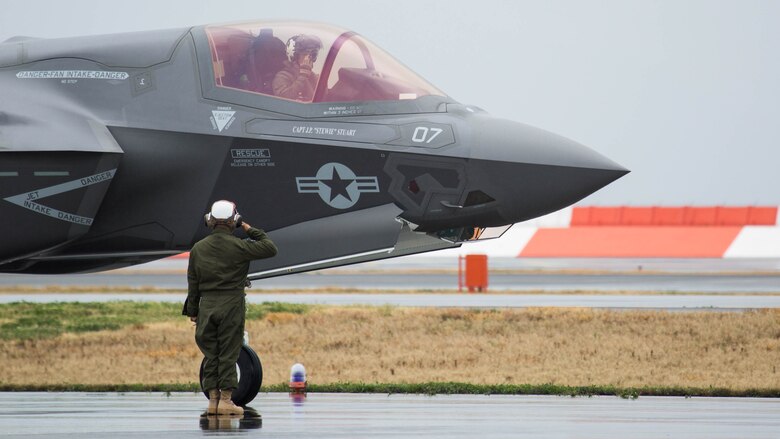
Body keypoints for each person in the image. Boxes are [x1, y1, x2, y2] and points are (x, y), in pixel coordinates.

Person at [184, 200, 277, 416]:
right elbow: (270, 247)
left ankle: (213, 401)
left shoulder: (198, 249)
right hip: (231, 304)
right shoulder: (241, 246)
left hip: (206, 305)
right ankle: (226, 400)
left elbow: (193, 281)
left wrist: (193, 310)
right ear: (233, 221)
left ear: (210, 221)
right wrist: (247, 227)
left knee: (211, 353)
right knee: (228, 352)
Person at [272, 34, 322, 101]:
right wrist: (302, 77)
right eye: (305, 54)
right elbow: (283, 99)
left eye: (313, 54)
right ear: (294, 56)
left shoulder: (313, 76)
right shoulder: (282, 76)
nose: (309, 58)